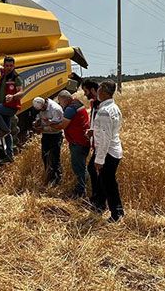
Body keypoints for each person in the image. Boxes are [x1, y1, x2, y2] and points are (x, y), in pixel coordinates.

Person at [92, 80, 125, 222]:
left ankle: (116, 214)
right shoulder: (114, 107)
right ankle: (107, 207)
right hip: (114, 150)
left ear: (104, 91)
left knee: (109, 183)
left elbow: (105, 138)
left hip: (108, 152)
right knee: (107, 181)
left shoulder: (105, 111)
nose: (97, 91)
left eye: (99, 89)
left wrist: (99, 160)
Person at [0, 46, 23, 161]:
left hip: (10, 107)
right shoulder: (3, 73)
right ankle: (10, 155)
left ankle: (4, 129)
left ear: (14, 66)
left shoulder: (16, 77)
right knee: (8, 133)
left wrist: (13, 96)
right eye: (7, 65)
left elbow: (21, 92)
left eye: (10, 66)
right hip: (4, 105)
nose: (8, 68)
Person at [51, 90, 90, 198]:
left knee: (78, 167)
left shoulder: (70, 109)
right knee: (82, 166)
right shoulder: (78, 103)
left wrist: (50, 124)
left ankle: (81, 191)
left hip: (77, 141)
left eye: (60, 101)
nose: (60, 104)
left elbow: (62, 126)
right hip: (84, 139)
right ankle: (84, 187)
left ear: (64, 99)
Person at [82, 80, 104, 211]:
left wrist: (94, 132)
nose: (85, 94)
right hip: (96, 143)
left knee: (97, 171)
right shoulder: (93, 103)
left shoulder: (103, 105)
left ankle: (100, 202)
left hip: (102, 145)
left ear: (93, 90)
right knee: (93, 170)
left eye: (86, 91)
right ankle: (96, 197)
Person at [32, 96, 64, 185]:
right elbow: (38, 119)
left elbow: (58, 126)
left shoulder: (55, 109)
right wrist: (36, 123)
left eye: (43, 108)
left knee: (54, 159)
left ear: (45, 102)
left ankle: (57, 180)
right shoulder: (40, 109)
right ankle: (49, 178)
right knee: (45, 157)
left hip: (55, 135)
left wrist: (44, 126)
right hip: (46, 135)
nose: (42, 111)